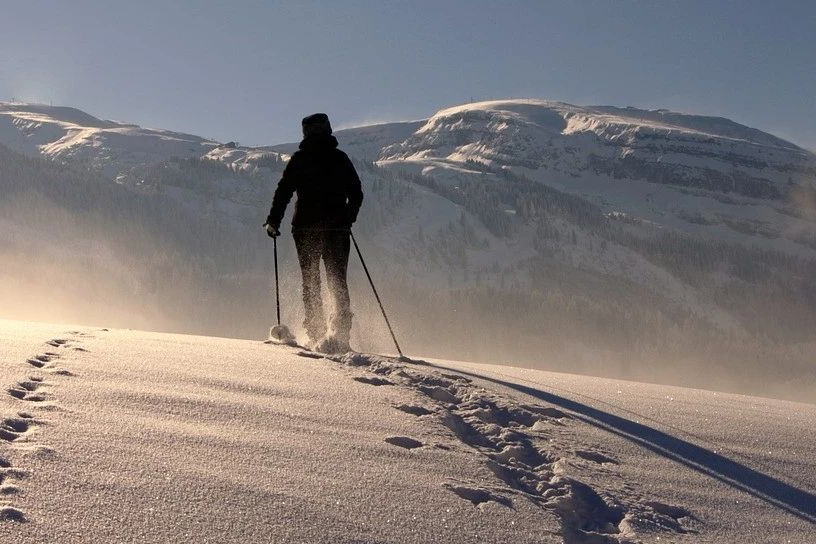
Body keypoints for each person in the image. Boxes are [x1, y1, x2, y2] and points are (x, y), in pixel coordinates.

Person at [264, 113, 363, 353]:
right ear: (328, 130)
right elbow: (357, 193)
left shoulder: (299, 159)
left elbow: (284, 191)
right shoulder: (340, 159)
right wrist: (347, 218)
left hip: (305, 229)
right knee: (337, 280)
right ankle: (340, 336)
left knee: (310, 280)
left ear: (305, 133)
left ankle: (317, 333)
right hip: (337, 230)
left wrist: (273, 221)